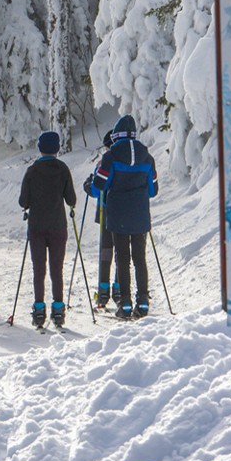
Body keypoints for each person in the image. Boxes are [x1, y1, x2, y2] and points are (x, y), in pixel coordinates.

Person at [93, 115, 158, 319]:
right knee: (140, 258)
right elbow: (153, 190)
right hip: (140, 216)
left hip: (117, 215)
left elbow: (100, 185)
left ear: (116, 135)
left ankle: (126, 303)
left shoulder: (110, 156)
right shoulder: (147, 156)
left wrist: (91, 184)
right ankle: (143, 301)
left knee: (122, 259)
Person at [18, 131, 77, 329]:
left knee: (39, 268)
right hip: (58, 225)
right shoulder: (63, 169)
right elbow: (71, 199)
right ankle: (58, 310)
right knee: (56, 268)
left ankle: (39, 310)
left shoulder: (32, 171)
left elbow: (23, 201)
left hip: (36, 226)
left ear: (40, 148)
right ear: (57, 148)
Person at [83, 131, 121, 309]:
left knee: (106, 252)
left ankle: (103, 292)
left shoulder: (105, 162)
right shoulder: (124, 158)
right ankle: (118, 289)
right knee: (122, 252)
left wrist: (88, 185)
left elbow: (97, 189)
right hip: (122, 213)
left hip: (105, 211)